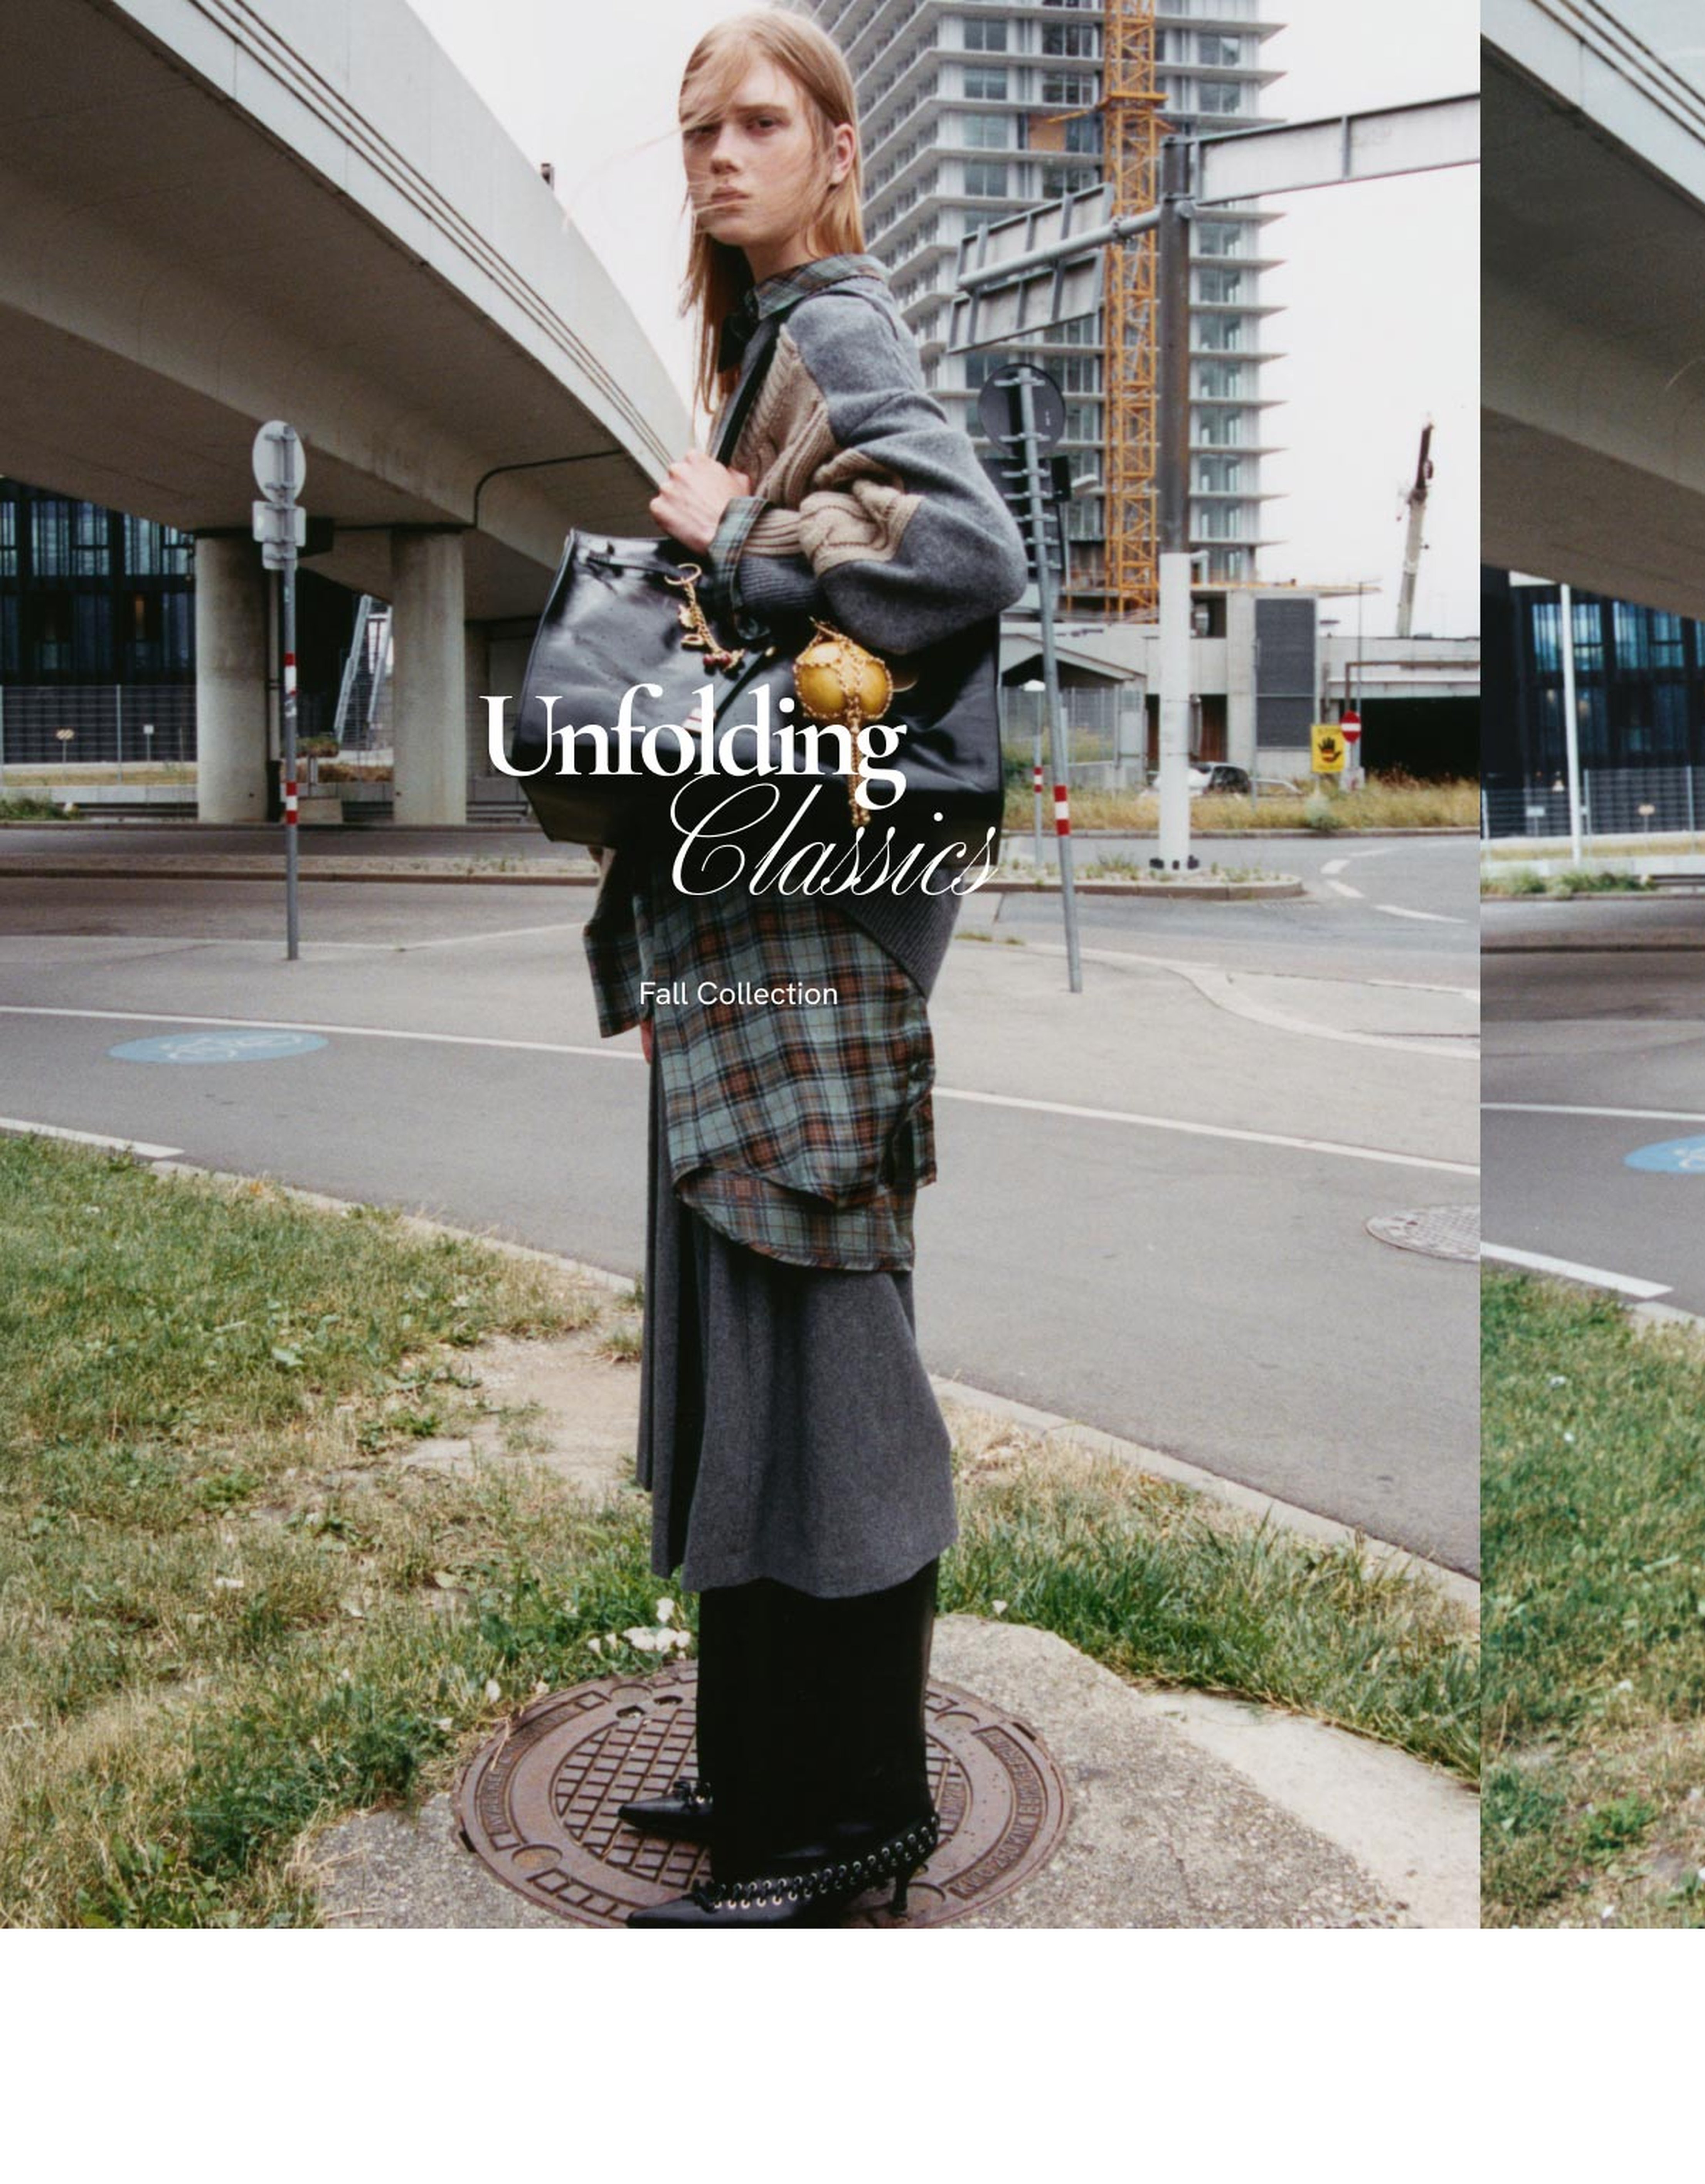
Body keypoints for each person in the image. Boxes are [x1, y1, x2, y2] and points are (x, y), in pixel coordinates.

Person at [578, 8, 1025, 1928]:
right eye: (700, 129)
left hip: (822, 925)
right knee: (744, 1341)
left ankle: (859, 1815)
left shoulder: (839, 329)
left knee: (824, 1359)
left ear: (839, 150)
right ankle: (769, 1765)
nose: (721, 154)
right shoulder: (772, 339)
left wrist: (744, 535)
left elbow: (972, 557)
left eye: (760, 121)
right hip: (765, 911)